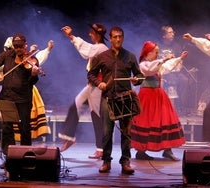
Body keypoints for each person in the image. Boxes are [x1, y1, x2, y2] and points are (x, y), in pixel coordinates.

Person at [88, 26, 144, 174]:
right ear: (111, 38)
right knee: (107, 132)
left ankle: (125, 162)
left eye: (120, 36)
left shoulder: (130, 56)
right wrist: (99, 83)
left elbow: (140, 76)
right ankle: (106, 161)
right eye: (115, 37)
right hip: (108, 98)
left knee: (126, 133)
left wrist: (137, 80)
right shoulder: (102, 56)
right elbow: (91, 74)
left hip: (125, 98)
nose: (118, 39)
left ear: (123, 38)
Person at [58, 23, 109, 159]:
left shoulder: (101, 47)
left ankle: (101, 149)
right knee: (75, 106)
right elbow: (87, 49)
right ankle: (69, 137)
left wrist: (71, 36)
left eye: (91, 33)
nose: (89, 34)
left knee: (96, 115)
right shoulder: (97, 47)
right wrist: (71, 37)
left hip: (97, 86)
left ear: (97, 34)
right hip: (91, 85)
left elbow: (86, 51)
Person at [0, 33, 41, 157]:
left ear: (25, 45)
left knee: (25, 129)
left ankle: (26, 156)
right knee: (6, 129)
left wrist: (33, 74)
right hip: (7, 97)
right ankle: (9, 157)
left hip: (23, 99)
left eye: (20, 46)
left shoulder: (32, 60)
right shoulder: (7, 55)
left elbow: (32, 82)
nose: (18, 49)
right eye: (16, 46)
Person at [131, 41, 187, 161]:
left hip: (158, 95)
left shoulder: (156, 63)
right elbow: (150, 70)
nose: (157, 54)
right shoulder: (143, 64)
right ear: (148, 52)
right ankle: (141, 151)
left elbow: (166, 67)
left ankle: (168, 150)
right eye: (156, 52)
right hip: (147, 96)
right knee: (146, 121)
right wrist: (163, 59)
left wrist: (179, 59)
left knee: (165, 119)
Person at [158, 25, 193, 114]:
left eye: (173, 32)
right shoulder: (157, 46)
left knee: (185, 80)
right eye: (170, 32)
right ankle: (162, 108)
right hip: (162, 72)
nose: (173, 34)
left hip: (174, 72)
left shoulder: (176, 46)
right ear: (164, 35)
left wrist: (177, 68)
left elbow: (180, 62)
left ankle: (181, 106)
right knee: (162, 81)